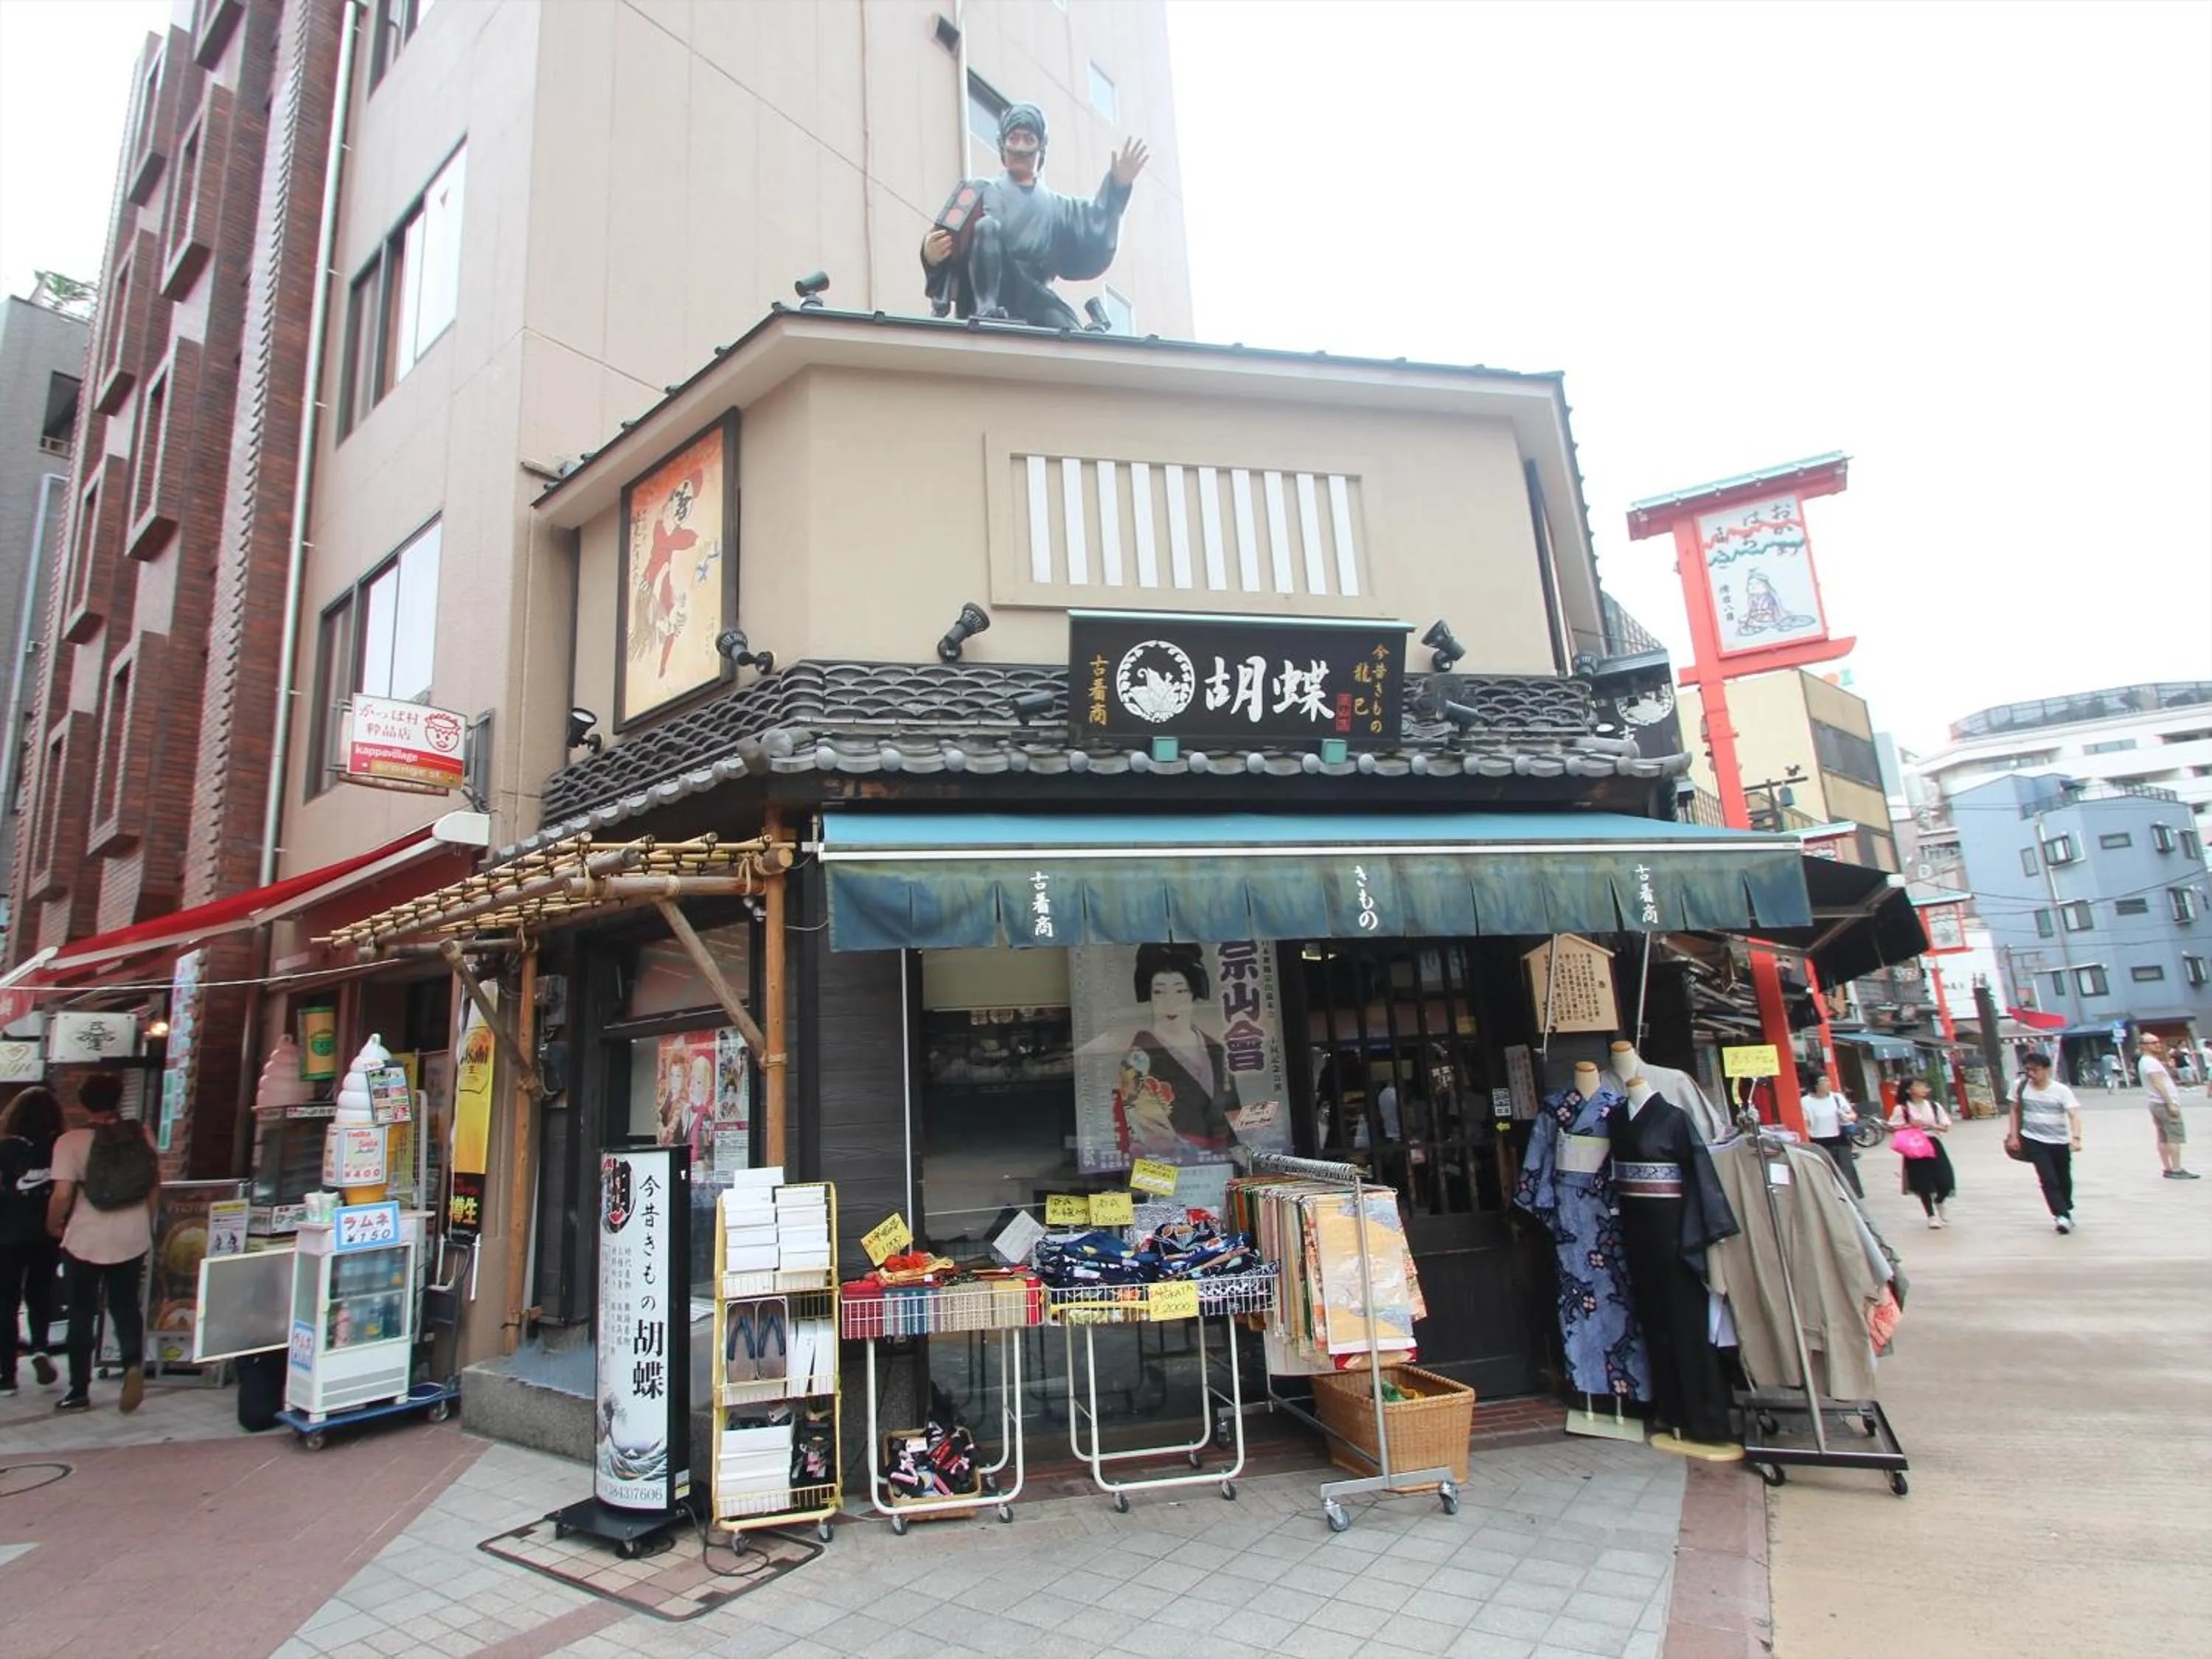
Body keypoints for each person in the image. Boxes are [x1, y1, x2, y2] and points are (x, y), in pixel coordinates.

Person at [922, 102, 1149, 328]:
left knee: (1070, 333)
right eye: (1013, 139)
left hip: (1036, 296)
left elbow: (1096, 220)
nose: (1020, 147)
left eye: (1029, 140)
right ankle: (987, 311)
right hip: (984, 294)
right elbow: (945, 236)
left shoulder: (1058, 207)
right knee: (986, 227)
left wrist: (1117, 185)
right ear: (1002, 145)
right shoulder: (976, 191)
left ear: (1041, 149)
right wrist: (931, 254)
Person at [46, 1073, 160, 1412]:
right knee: (125, 1306)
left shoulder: (70, 1142)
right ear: (118, 1099)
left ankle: (78, 1391)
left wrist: (53, 1225)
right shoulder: (142, 1134)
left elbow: (62, 1194)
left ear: (84, 1104)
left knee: (81, 1312)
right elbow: (154, 1185)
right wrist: (147, 1222)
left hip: (85, 1237)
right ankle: (133, 1365)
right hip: (132, 1234)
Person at [1111, 944, 1235, 1161]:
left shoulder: (1215, 1051)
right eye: (1159, 992)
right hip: (1172, 1167)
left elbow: (1234, 1112)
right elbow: (1146, 1136)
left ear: (1194, 994)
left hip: (1224, 1163)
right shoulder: (1138, 1061)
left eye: (1180, 991)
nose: (1170, 1003)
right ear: (1149, 997)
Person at [1, 1087, 65, 1396]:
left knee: (6, 1301)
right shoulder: (61, 1147)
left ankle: (7, 1374)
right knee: (40, 1293)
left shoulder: (5, 1148)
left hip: (7, 1234)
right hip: (47, 1234)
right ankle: (40, 1347)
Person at [2007, 1051, 2084, 1234]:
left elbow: (2074, 1114)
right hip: (2033, 1140)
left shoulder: (2061, 1090)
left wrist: (2076, 1138)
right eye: (2027, 1070)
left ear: (2046, 1070)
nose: (2031, 1074)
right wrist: (2014, 1136)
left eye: (2035, 1070)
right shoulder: (2020, 1087)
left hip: (2059, 1141)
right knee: (2048, 1179)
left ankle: (2065, 1206)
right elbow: (2014, 1111)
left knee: (2064, 1178)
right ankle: (2061, 1215)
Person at [1887, 1077, 1957, 1228]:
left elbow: (1945, 1127)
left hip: (1933, 1143)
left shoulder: (1933, 1106)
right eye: (1919, 1086)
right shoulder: (1902, 1108)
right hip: (1914, 1145)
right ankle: (1931, 1215)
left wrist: (1930, 1125)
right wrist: (1909, 1126)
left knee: (1944, 1180)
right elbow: (1892, 1127)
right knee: (1922, 1182)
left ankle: (1939, 1201)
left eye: (1924, 1086)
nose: (1923, 1089)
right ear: (1909, 1090)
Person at [2135, 1033, 2199, 1180]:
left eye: (2158, 1041)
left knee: (2163, 1136)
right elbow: (2158, 1083)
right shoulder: (2150, 1063)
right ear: (2144, 1046)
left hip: (2156, 1102)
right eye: (2153, 1043)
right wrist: (2170, 1103)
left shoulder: (2146, 1061)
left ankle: (2168, 1168)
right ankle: (2176, 1168)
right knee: (2174, 1136)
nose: (2158, 1045)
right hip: (2163, 1103)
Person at [1800, 1072, 1864, 1198]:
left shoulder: (1837, 1098)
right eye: (1823, 1081)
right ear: (1815, 1085)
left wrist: (1847, 1117)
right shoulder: (1805, 1101)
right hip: (1818, 1141)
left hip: (1839, 1139)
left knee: (1846, 1169)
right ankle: (1831, 1197)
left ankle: (1851, 1197)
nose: (1828, 1083)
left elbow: (1853, 1115)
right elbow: (1805, 1123)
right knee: (1824, 1171)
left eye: (1828, 1080)